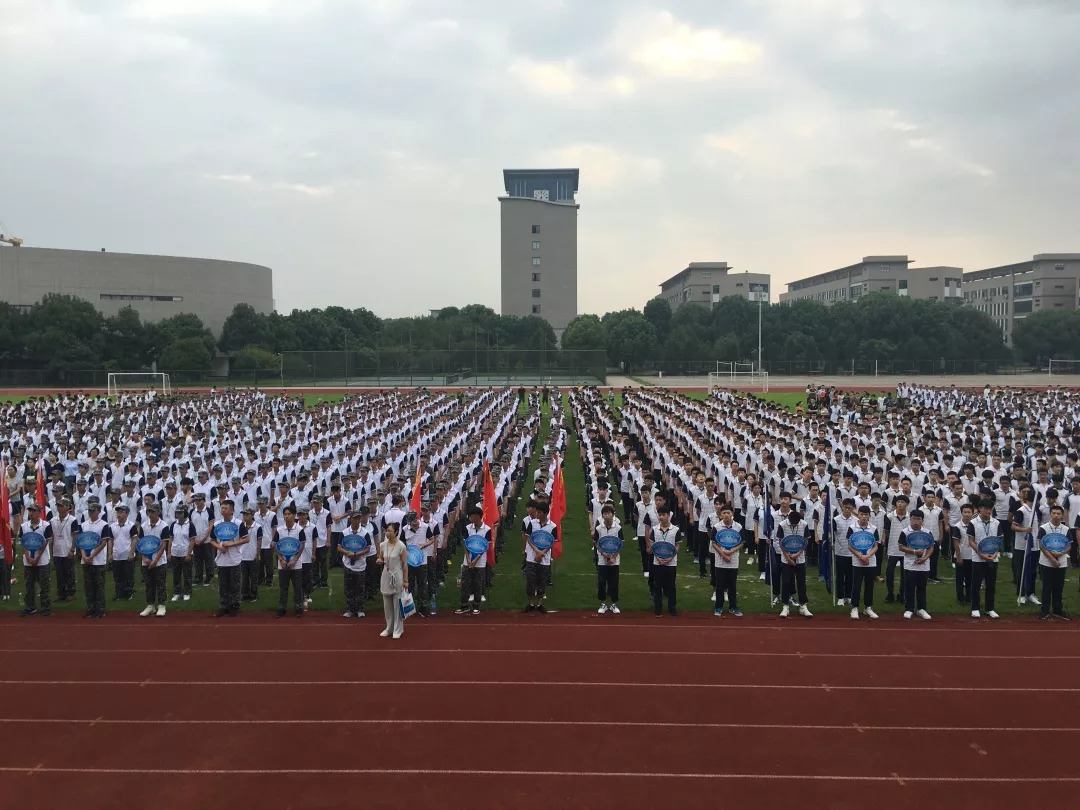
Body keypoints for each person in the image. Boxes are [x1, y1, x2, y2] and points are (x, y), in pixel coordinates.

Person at [209, 499, 249, 617]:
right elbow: (212, 540)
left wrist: (231, 544)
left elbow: (246, 539)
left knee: (235, 584)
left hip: (234, 558)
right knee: (223, 584)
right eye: (222, 508)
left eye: (225, 508)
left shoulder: (238, 523)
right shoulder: (217, 524)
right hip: (222, 559)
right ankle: (223, 605)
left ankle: (234, 605)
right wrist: (219, 547)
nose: (223, 510)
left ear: (231, 510)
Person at [76, 502, 112, 618]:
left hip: (98, 560)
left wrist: (92, 556)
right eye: (90, 510)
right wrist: (84, 556)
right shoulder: (84, 525)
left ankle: (100, 609)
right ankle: (90, 608)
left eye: (93, 510)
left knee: (99, 585)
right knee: (88, 585)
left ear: (98, 511)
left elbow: (103, 542)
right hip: (86, 559)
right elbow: (80, 542)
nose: (91, 512)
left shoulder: (104, 525)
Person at [777, 506, 813, 618]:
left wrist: (797, 554)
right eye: (792, 524)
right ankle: (785, 606)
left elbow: (806, 541)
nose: (794, 525)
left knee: (801, 582)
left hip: (800, 558)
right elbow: (781, 542)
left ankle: (803, 606)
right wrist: (788, 558)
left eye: (796, 524)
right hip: (786, 558)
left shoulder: (804, 524)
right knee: (786, 582)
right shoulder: (782, 525)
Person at [709, 501, 743, 617]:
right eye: (724, 513)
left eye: (728, 513)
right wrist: (723, 555)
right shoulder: (717, 527)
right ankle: (718, 607)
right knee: (720, 585)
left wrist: (730, 552)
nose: (726, 515)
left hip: (733, 560)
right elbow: (714, 543)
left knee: (732, 585)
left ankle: (733, 607)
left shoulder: (738, 527)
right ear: (721, 514)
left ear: (732, 513)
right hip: (720, 560)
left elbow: (741, 543)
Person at [1036, 505, 1071, 620]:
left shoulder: (1066, 529)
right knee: (1047, 587)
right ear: (1050, 514)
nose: (1056, 516)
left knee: (1058, 587)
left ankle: (1058, 610)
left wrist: (1061, 553)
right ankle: (1044, 611)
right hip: (1046, 562)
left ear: (1062, 516)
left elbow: (1069, 545)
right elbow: (1041, 545)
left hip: (1061, 562)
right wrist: (1052, 558)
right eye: (1053, 513)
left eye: (1058, 514)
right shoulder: (1044, 528)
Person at [19, 503, 53, 617]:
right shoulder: (24, 526)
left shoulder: (46, 525)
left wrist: (37, 556)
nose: (31, 513)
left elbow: (46, 542)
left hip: (42, 560)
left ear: (39, 512)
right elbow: (23, 543)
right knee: (29, 584)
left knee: (44, 585)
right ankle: (30, 607)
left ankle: (45, 608)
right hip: (28, 560)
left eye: (33, 511)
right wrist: (27, 557)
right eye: (30, 511)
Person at [647, 504, 681, 617]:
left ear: (668, 516)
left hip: (671, 563)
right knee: (658, 585)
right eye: (659, 515)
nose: (661, 517)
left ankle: (672, 607)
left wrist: (670, 558)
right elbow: (652, 546)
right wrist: (658, 558)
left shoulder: (675, 530)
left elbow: (677, 546)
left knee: (671, 586)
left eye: (663, 515)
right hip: (658, 562)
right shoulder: (655, 530)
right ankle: (658, 608)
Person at [341, 508, 376, 619]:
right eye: (355, 518)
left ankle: (360, 609)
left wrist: (357, 554)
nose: (357, 520)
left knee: (360, 588)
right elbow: (339, 547)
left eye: (359, 518)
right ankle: (350, 609)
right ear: (350, 519)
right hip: (348, 564)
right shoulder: (344, 532)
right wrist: (347, 553)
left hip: (360, 565)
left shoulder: (365, 533)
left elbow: (368, 548)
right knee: (349, 588)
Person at [898, 509, 933, 620]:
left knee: (922, 587)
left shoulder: (927, 532)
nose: (916, 521)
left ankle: (921, 608)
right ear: (910, 519)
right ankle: (909, 608)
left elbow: (931, 547)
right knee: (909, 587)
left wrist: (925, 558)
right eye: (913, 518)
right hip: (910, 563)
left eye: (918, 519)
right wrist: (914, 552)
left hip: (924, 564)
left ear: (922, 520)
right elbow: (901, 547)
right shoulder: (905, 531)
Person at [970, 498, 1001, 619]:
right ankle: (975, 608)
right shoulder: (973, 523)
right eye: (985, 508)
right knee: (976, 584)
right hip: (978, 558)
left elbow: (999, 540)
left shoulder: (996, 523)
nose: (988, 511)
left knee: (991, 584)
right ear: (979, 509)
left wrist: (994, 554)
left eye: (990, 509)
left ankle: (990, 608)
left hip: (993, 557)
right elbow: (971, 541)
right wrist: (981, 554)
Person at [272, 504, 305, 618]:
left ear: (294, 515)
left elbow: (302, 546)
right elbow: (276, 545)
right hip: (283, 564)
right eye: (285, 514)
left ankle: (298, 608)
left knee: (297, 587)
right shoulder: (279, 530)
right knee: (283, 587)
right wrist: (280, 559)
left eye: (289, 514)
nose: (287, 516)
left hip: (296, 564)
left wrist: (295, 560)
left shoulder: (299, 530)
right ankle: (282, 608)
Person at [376, 522, 408, 639]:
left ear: (395, 532)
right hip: (386, 575)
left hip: (397, 575)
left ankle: (398, 629)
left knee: (397, 604)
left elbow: (404, 564)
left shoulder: (401, 546)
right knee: (387, 604)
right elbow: (380, 556)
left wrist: (406, 580)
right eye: (386, 531)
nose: (387, 533)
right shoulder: (383, 545)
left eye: (389, 531)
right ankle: (389, 627)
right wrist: (379, 560)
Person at [457, 505, 491, 615]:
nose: (470, 518)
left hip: (480, 562)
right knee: (465, 583)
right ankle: (464, 605)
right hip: (467, 561)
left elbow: (485, 547)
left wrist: (475, 560)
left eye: (471, 516)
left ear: (477, 517)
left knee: (478, 584)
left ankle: (476, 605)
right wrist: (468, 558)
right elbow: (465, 544)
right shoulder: (468, 528)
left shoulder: (487, 530)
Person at [848, 505, 880, 620]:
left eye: (866, 515)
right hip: (857, 561)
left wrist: (867, 556)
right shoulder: (852, 527)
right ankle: (854, 607)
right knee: (856, 585)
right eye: (861, 514)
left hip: (871, 561)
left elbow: (876, 546)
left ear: (869, 516)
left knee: (869, 585)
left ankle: (868, 608)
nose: (864, 517)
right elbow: (850, 546)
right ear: (858, 515)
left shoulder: (873, 528)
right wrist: (860, 556)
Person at [524, 501, 557, 613]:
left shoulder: (553, 526)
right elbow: (528, 538)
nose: (537, 514)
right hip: (531, 557)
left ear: (545, 513)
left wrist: (542, 553)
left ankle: (539, 604)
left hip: (544, 559)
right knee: (530, 581)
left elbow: (552, 541)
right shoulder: (532, 523)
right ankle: (531, 604)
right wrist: (537, 551)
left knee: (542, 582)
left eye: (539, 512)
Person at [138, 503, 170, 617]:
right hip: (145, 560)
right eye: (149, 512)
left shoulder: (164, 526)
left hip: (160, 560)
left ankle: (161, 605)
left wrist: (155, 560)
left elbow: (164, 544)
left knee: (160, 583)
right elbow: (140, 543)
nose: (150, 514)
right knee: (148, 583)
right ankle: (150, 605)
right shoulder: (143, 526)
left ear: (158, 512)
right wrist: (144, 558)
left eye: (153, 512)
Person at [592, 503, 622, 614]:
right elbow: (596, 542)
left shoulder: (618, 528)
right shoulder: (599, 528)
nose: (607, 515)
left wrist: (613, 557)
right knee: (601, 582)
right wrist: (603, 553)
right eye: (605, 513)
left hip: (615, 560)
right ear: (602, 515)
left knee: (614, 582)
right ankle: (603, 604)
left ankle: (614, 604)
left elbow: (620, 544)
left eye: (609, 513)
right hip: (602, 559)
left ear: (613, 515)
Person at [49, 497, 78, 603]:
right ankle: (61, 593)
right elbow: (51, 536)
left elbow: (75, 536)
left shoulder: (72, 520)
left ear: (67, 507)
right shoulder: (52, 520)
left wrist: (72, 549)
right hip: (57, 550)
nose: (59, 508)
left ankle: (70, 593)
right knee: (59, 574)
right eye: (58, 506)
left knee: (69, 573)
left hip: (67, 549)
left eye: (61, 506)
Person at [168, 504, 194, 602]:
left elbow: (192, 540)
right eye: (177, 512)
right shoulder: (173, 525)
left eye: (181, 512)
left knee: (187, 574)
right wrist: (169, 553)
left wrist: (188, 554)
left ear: (185, 513)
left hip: (185, 552)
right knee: (176, 574)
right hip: (175, 553)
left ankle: (187, 592)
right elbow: (170, 539)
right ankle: (177, 592)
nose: (178, 514)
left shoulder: (190, 524)